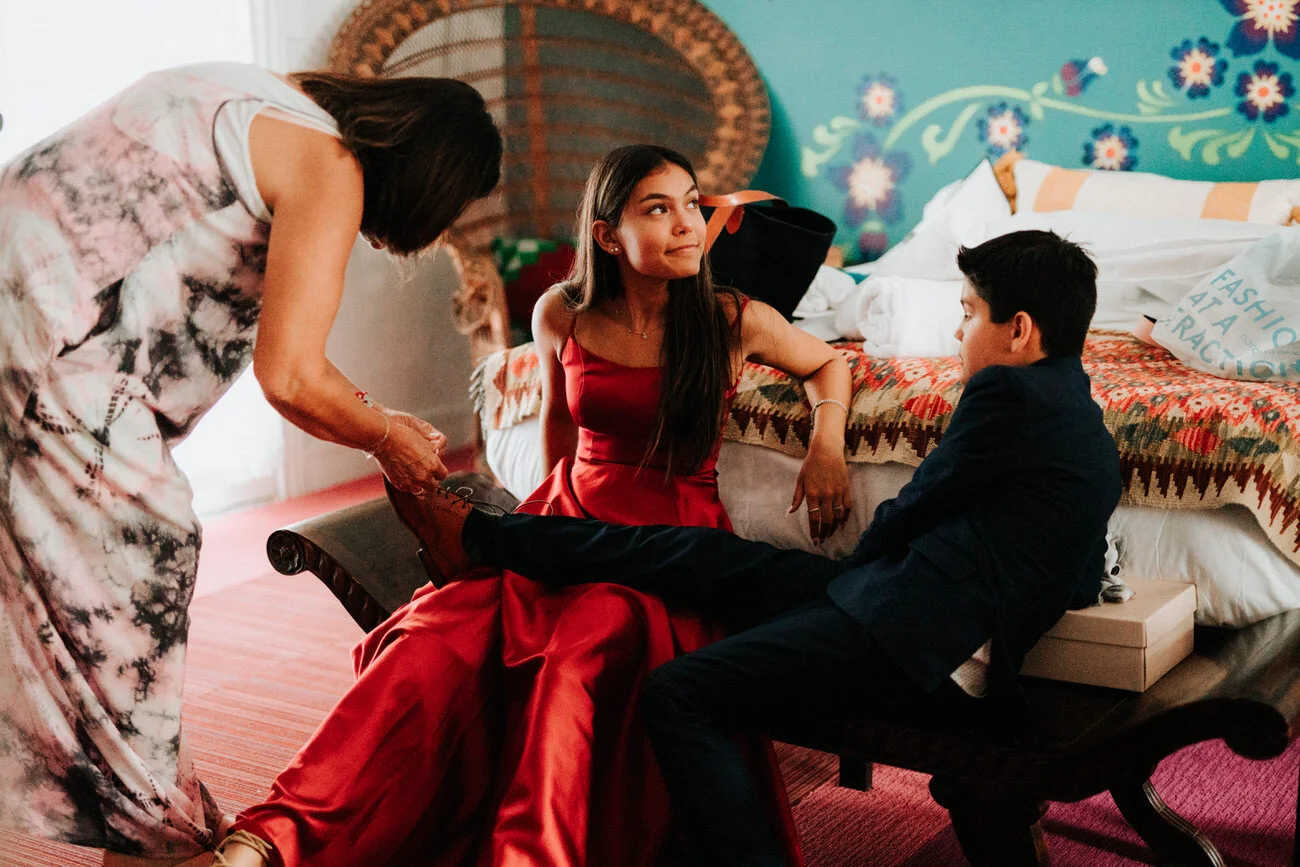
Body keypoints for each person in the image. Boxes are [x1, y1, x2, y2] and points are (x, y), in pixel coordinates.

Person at [398, 229, 1123, 866]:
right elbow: (1079, 567)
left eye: (968, 314)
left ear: (1018, 330)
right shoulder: (1084, 419)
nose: (959, 333)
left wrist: (847, 583)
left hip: (902, 633)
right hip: (904, 607)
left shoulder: (1008, 396)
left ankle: (483, 534)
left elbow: (918, 503)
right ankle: (488, 536)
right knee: (694, 555)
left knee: (680, 692)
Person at [220, 144, 853, 866]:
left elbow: (826, 362)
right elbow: (558, 425)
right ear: (608, 235)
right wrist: (534, 535)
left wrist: (827, 445)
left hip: (668, 540)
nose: (688, 224)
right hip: (564, 517)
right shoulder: (562, 313)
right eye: (659, 209)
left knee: (581, 644)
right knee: (428, 640)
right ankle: (267, 840)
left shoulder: (732, 317)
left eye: (691, 203)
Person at [0, 61, 501, 864]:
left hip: (27, 324)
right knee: (144, 567)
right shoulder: (328, 164)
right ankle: (158, 837)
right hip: (51, 363)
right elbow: (292, 376)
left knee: (89, 596)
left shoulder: (261, 95)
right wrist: (385, 436)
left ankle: (150, 823)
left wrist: (375, 417)